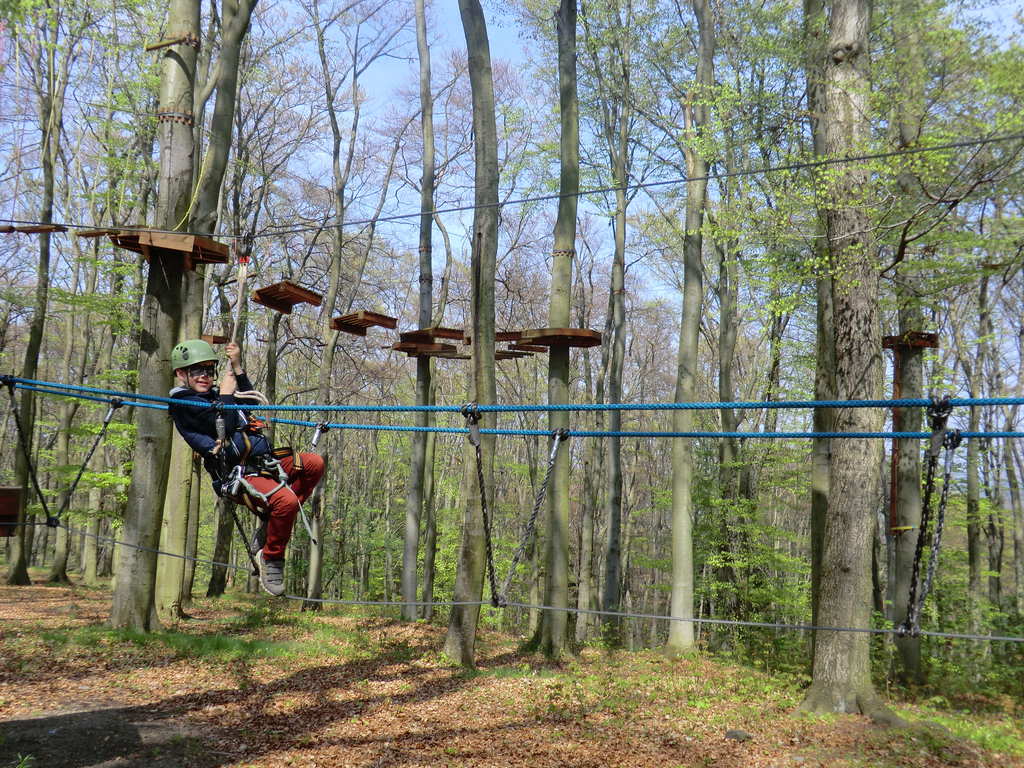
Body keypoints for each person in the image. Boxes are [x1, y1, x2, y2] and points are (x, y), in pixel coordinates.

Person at [168, 339, 324, 596]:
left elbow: (249, 405)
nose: (205, 376)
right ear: (181, 374)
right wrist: (227, 394)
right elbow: (225, 426)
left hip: (263, 461)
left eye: (209, 370)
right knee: (285, 502)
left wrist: (237, 368)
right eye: (197, 371)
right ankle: (272, 558)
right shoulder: (184, 403)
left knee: (313, 464)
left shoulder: (217, 395)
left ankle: (273, 519)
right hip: (237, 474)